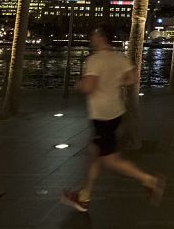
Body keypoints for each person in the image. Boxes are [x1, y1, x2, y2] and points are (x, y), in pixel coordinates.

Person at [62, 25, 166, 212]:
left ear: (101, 38)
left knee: (110, 160)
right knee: (95, 154)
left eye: (94, 35)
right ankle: (84, 196)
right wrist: (116, 82)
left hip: (102, 115)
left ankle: (150, 180)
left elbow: (89, 87)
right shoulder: (119, 57)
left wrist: (78, 85)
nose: (92, 38)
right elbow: (133, 78)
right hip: (115, 112)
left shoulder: (95, 60)